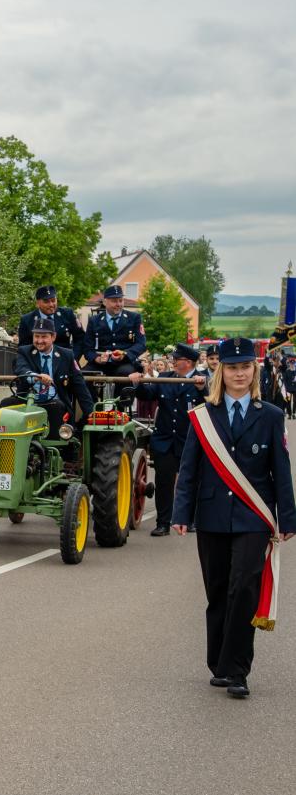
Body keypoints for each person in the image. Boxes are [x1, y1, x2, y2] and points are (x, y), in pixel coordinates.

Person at [172, 337, 295, 698]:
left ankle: (238, 670)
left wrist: (287, 517)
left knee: (244, 589)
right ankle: (219, 664)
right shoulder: (202, 416)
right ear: (220, 371)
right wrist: (181, 513)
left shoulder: (270, 416)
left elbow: (281, 472)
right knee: (218, 590)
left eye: (245, 367)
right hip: (211, 514)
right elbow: (189, 469)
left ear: (253, 371)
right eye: (232, 367)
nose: (239, 373)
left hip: (254, 517)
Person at [130, 343, 207, 536]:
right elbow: (148, 394)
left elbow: (214, 404)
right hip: (165, 439)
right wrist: (137, 382)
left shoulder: (201, 380)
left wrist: (202, 389)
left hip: (190, 439)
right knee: (164, 482)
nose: (173, 362)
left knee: (191, 481)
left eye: (177, 359)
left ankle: (189, 520)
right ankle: (163, 523)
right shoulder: (165, 378)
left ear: (187, 362)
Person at [11, 317, 94, 440]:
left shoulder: (67, 355)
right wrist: (36, 377)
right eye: (36, 336)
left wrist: (91, 413)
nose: (39, 341)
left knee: (55, 406)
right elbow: (21, 369)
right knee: (6, 404)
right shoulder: (24, 352)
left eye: (44, 337)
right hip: (29, 401)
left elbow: (79, 386)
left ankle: (55, 449)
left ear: (53, 337)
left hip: (55, 402)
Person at [83, 284, 146, 407]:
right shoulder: (94, 320)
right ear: (105, 302)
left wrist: (125, 354)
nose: (118, 304)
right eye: (114, 301)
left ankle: (118, 412)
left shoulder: (134, 318)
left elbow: (141, 344)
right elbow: (87, 348)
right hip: (101, 363)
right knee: (83, 376)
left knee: (124, 375)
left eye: (120, 300)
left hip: (124, 362)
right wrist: (97, 358)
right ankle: (94, 410)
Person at [17, 285, 86, 358]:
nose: (51, 305)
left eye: (53, 300)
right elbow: (23, 347)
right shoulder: (27, 320)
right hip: (38, 361)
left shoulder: (67, 314)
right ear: (37, 303)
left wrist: (73, 357)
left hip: (65, 360)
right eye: (46, 302)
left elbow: (80, 339)